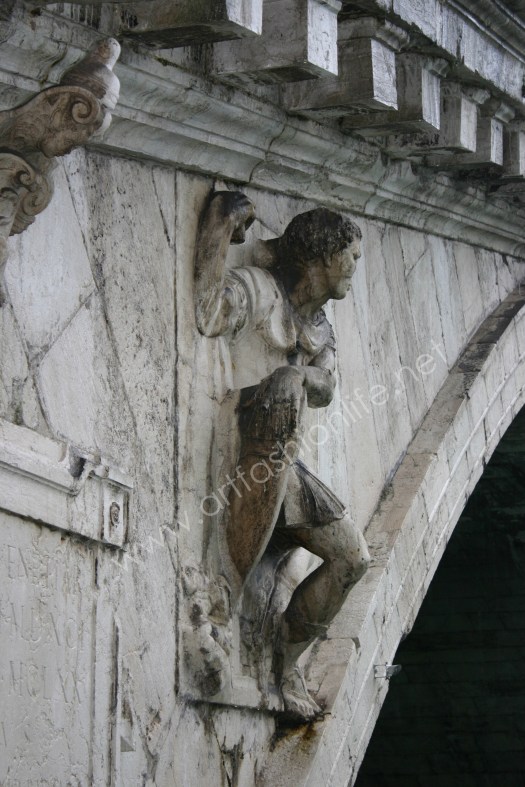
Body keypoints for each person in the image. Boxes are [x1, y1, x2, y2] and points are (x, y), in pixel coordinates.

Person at [194, 191, 370, 719]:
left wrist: (303, 374)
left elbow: (326, 385)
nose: (355, 269)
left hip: (286, 467)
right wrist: (217, 233)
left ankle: (285, 662)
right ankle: (234, 610)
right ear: (321, 254)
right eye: (351, 257)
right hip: (244, 449)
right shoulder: (259, 291)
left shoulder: (321, 330)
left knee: (353, 559)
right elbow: (207, 312)